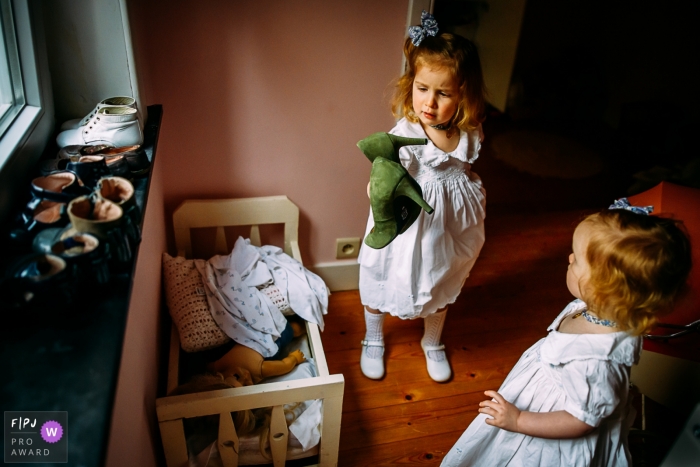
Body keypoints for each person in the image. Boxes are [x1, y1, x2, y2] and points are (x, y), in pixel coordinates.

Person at [442, 200, 692, 466]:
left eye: (577, 259)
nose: (569, 258)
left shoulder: (596, 361)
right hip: (549, 391)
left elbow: (581, 420)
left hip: (552, 421)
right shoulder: (599, 309)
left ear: (603, 289)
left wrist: (519, 419)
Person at [358, 10, 487, 382]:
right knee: (379, 275)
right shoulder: (406, 132)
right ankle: (373, 337)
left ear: (464, 93)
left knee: (441, 278)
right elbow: (382, 176)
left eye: (443, 93)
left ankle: (432, 340)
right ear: (410, 84)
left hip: (449, 220)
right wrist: (377, 193)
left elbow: (463, 168)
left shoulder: (470, 131)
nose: (428, 102)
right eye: (422, 88)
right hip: (407, 223)